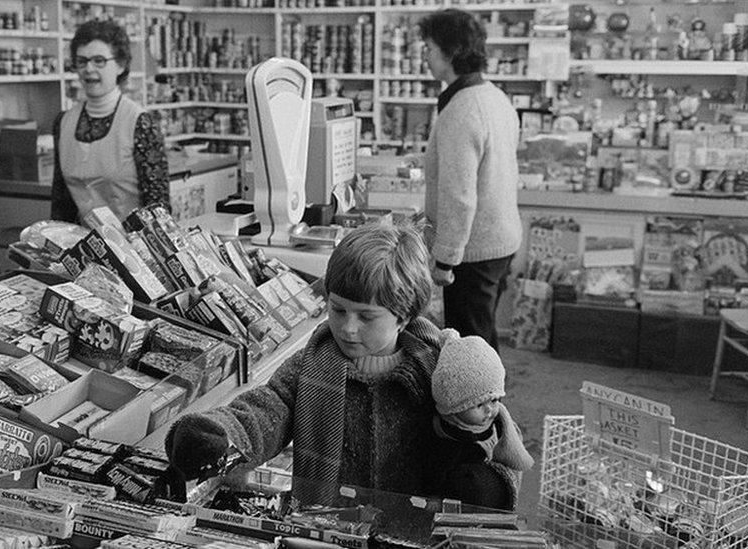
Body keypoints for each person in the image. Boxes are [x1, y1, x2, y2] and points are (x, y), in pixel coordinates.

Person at [164, 223, 447, 503]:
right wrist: (219, 434)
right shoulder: (312, 363)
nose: (348, 328)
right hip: (323, 524)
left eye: (366, 317)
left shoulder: (436, 371)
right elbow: (266, 410)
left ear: (404, 317)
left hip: (413, 526)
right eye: (338, 309)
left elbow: (469, 434)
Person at [420, 9, 522, 352]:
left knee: (470, 350)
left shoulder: (462, 109)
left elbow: (459, 195)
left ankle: (485, 404)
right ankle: (489, 399)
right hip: (501, 240)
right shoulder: (493, 96)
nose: (425, 55)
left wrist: (445, 260)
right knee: (483, 337)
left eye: (429, 47)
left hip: (473, 252)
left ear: (451, 52)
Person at [51, 20, 169, 223]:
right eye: (82, 61)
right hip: (83, 248)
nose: (88, 69)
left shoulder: (140, 123)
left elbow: (159, 210)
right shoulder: (64, 122)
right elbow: (62, 204)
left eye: (99, 61)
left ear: (121, 65)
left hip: (133, 248)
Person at [429, 335, 534, 510]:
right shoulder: (447, 433)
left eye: (494, 400)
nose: (490, 410)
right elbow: (435, 470)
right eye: (479, 404)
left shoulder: (501, 421)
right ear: (455, 406)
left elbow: (511, 452)